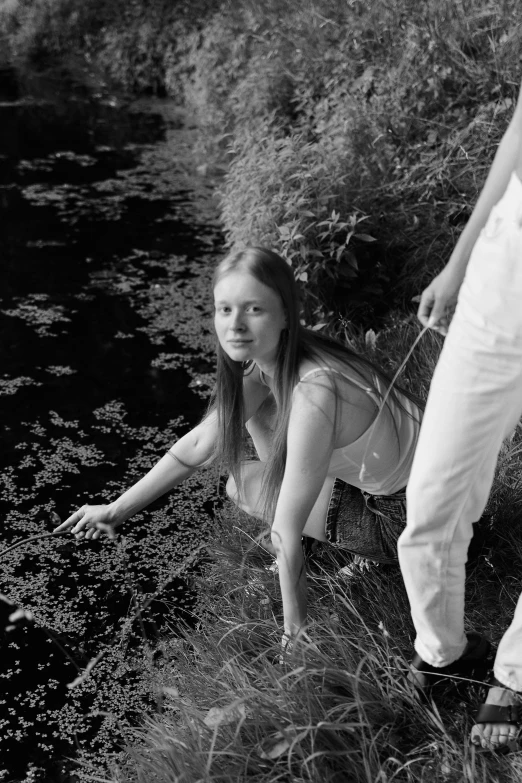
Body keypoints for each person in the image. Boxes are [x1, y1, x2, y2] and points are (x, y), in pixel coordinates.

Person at [55, 246, 422, 655]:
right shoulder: (270, 363)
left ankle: (365, 553)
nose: (236, 325)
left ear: (286, 314)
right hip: (411, 495)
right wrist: (114, 510)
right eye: (225, 310)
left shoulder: (314, 391)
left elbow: (284, 521)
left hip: (410, 522)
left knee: (243, 487)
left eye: (254, 310)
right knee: (249, 416)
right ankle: (325, 543)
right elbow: (198, 445)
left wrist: (295, 631)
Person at [398, 82, 522, 751]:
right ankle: (445, 654)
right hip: (506, 273)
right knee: (434, 493)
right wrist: (459, 260)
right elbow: (519, 133)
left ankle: (516, 675)